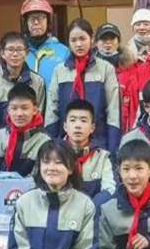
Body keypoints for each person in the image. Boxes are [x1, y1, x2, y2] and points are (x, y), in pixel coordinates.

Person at [45, 18, 121, 151]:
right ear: (68, 43)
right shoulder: (59, 71)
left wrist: (112, 149)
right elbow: (52, 111)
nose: (78, 44)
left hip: (99, 143)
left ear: (92, 39)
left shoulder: (105, 69)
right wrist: (52, 145)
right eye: (73, 40)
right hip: (65, 146)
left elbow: (113, 111)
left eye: (82, 39)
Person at [0, 31, 47, 148]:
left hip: (31, 147)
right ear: (2, 53)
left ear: (26, 53)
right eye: (10, 49)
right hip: (0, 147)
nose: (15, 54)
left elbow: (40, 118)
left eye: (19, 50)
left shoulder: (37, 82)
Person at [0, 82, 50, 175]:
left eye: (24, 108)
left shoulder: (44, 142)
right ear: (8, 110)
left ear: (35, 110)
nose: (19, 114)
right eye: (14, 108)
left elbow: (44, 176)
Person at [60, 99, 116, 200]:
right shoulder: (54, 154)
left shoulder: (103, 157)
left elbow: (109, 189)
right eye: (72, 120)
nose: (78, 126)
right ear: (65, 126)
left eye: (83, 120)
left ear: (92, 128)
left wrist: (89, 207)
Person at [96, 23, 143, 131]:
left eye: (112, 38)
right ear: (96, 42)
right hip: (97, 128)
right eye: (103, 39)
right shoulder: (89, 68)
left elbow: (134, 105)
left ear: (118, 41)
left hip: (123, 128)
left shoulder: (131, 69)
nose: (108, 42)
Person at [20, 0, 71, 83]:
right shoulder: (19, 52)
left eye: (41, 17)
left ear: (48, 22)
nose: (36, 22)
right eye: (32, 18)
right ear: (25, 23)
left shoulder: (63, 52)